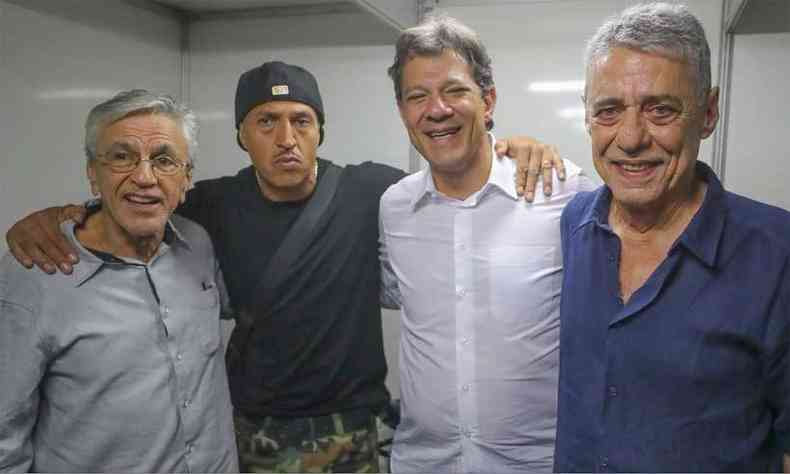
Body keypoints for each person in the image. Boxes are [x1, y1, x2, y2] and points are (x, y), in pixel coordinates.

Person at [4, 61, 560, 472]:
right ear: (241, 136)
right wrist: (58, 218)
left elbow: (457, 173)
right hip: (252, 440)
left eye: (301, 120)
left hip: (357, 433)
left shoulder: (374, 189)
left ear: (321, 129)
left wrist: (516, 148)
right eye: (266, 122)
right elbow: (137, 199)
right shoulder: (206, 209)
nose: (286, 138)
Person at [554, 3, 790, 472]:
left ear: (707, 113)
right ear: (587, 115)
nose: (631, 137)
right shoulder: (576, 223)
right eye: (608, 110)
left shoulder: (777, 252)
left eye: (661, 109)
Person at [379, 15, 594, 473]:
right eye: (417, 96)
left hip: (537, 464)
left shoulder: (562, 191)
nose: (436, 110)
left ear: (488, 100)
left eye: (455, 91)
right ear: (403, 113)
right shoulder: (394, 207)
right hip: (425, 463)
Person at [0, 90, 237, 472]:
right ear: (93, 172)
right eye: (121, 157)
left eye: (163, 160)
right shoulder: (35, 273)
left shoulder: (198, 245)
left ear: (186, 178)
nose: (144, 177)